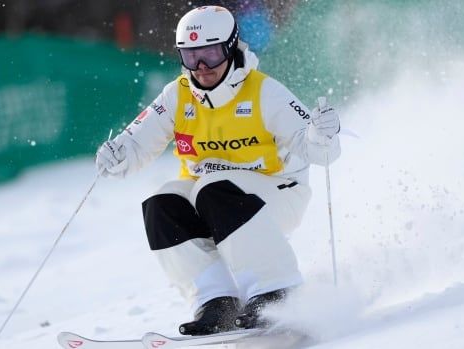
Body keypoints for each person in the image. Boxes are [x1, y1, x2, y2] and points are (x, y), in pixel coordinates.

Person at [95, 5, 341, 336]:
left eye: (210, 54)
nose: (201, 67)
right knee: (161, 204)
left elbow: (318, 150)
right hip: (212, 200)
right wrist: (118, 155)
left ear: (230, 47)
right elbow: (137, 145)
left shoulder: (263, 91)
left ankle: (276, 291)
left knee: (214, 188)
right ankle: (217, 301)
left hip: (277, 195)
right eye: (190, 55)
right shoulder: (178, 95)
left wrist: (322, 134)